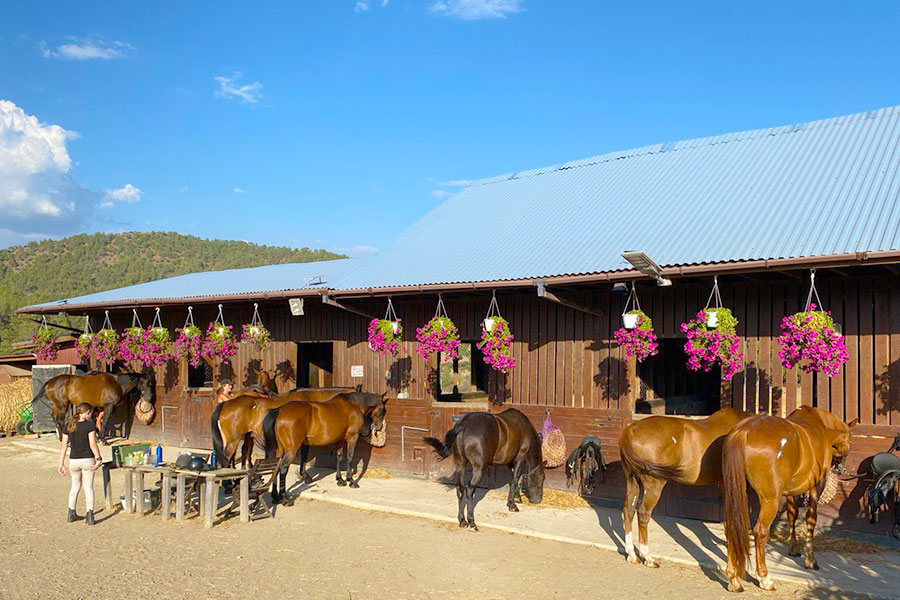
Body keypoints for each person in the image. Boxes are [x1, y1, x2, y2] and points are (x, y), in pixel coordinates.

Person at [57, 402, 103, 525]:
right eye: (91, 413)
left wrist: (61, 463)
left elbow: (63, 446)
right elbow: (93, 444)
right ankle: (90, 516)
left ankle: (71, 513)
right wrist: (98, 459)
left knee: (75, 487)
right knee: (88, 488)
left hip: (73, 460)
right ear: (87, 413)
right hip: (87, 459)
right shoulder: (89, 426)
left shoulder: (69, 425)